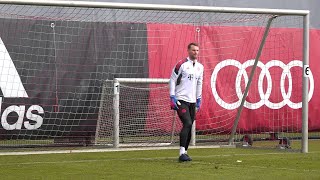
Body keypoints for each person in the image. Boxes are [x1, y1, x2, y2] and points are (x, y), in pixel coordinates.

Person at [169, 42, 204, 162]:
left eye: (197, 50)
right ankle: (181, 152)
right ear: (188, 51)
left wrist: (199, 99)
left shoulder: (200, 67)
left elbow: (199, 83)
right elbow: (172, 80)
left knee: (190, 126)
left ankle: (186, 152)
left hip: (192, 101)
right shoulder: (181, 64)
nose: (196, 52)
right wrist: (172, 96)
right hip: (181, 99)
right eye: (194, 50)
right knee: (187, 123)